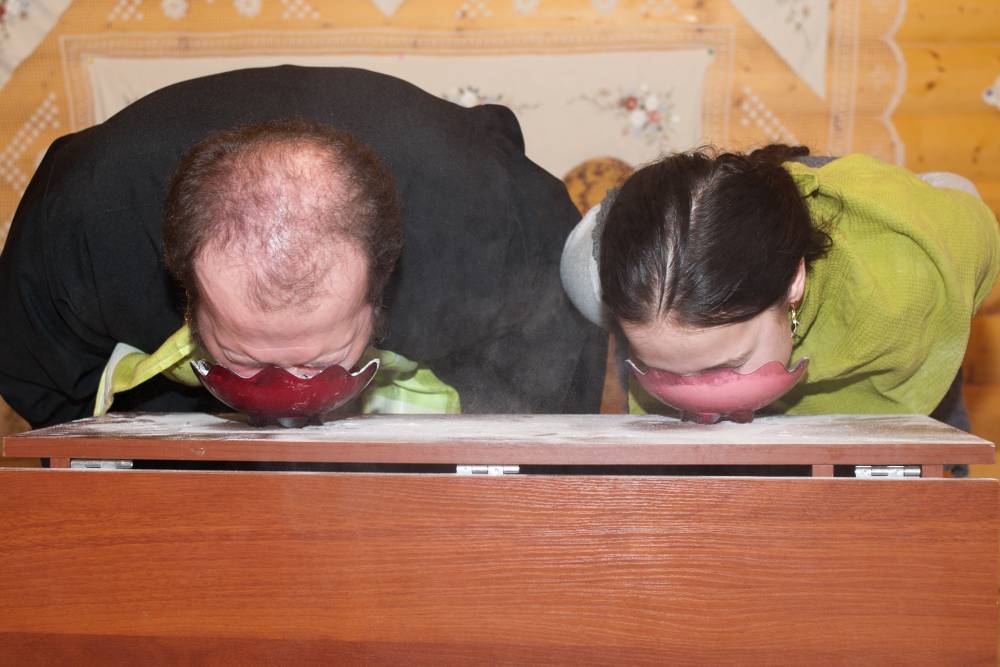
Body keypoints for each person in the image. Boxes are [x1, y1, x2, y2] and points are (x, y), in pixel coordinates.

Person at [0, 66, 606, 428]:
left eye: (318, 359)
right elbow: (45, 388)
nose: (284, 389)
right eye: (241, 353)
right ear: (181, 280)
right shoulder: (83, 224)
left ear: (383, 282)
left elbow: (544, 407)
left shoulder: (498, 224)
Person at [561, 144, 999, 426]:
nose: (702, 399)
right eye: (665, 371)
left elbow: (965, 211)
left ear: (794, 282)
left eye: (727, 366)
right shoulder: (592, 277)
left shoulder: (907, 270)